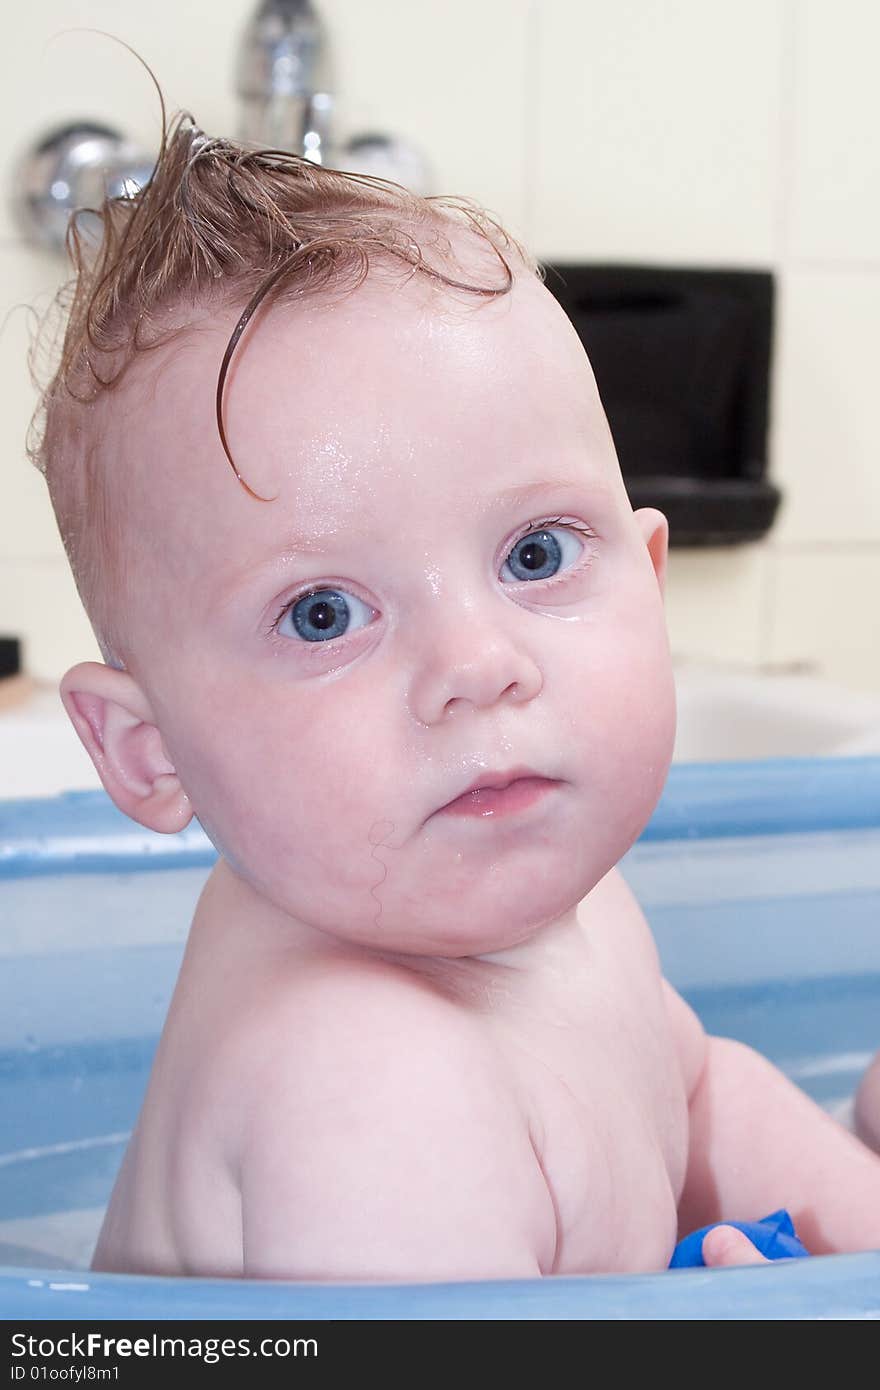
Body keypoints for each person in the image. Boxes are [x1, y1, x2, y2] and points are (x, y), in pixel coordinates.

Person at [31, 113, 880, 1280]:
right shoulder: (369, 1086)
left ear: (649, 583)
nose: (477, 663)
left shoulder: (561, 919)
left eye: (535, 554)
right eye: (323, 613)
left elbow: (692, 1087)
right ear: (149, 751)